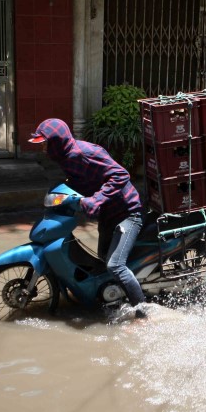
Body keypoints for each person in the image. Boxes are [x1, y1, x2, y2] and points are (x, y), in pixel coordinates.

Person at [28, 118, 147, 318]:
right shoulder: (65, 157)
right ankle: (111, 298)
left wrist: (96, 199)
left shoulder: (85, 153)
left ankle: (143, 313)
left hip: (128, 212)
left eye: (45, 144)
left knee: (115, 265)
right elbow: (78, 181)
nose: (43, 149)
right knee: (101, 262)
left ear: (57, 142)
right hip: (108, 214)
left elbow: (121, 174)